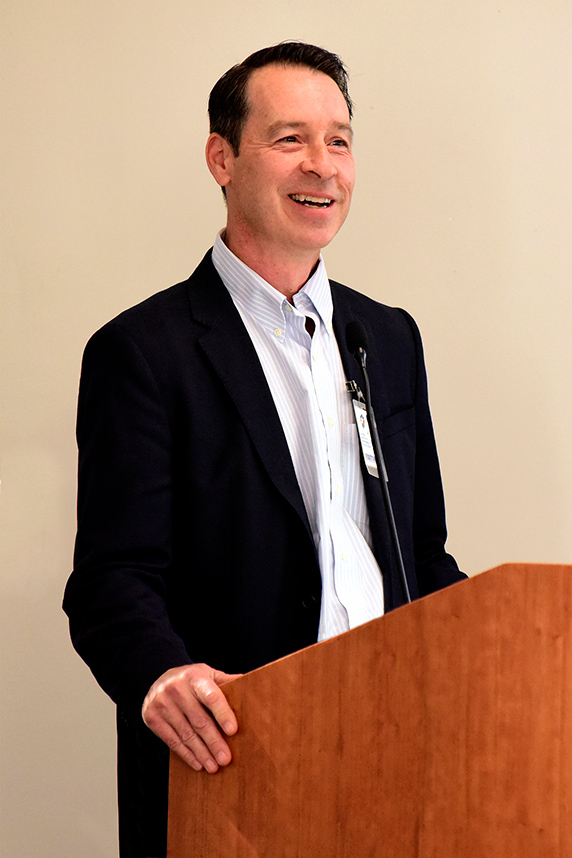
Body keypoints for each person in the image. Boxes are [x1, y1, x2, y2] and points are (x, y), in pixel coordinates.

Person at [63, 41, 465, 858]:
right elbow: (113, 581)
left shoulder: (386, 338)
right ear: (223, 157)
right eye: (290, 139)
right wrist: (163, 678)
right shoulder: (143, 351)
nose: (323, 166)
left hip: (393, 756)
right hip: (234, 764)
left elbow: (421, 554)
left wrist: (515, 651)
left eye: (340, 140)